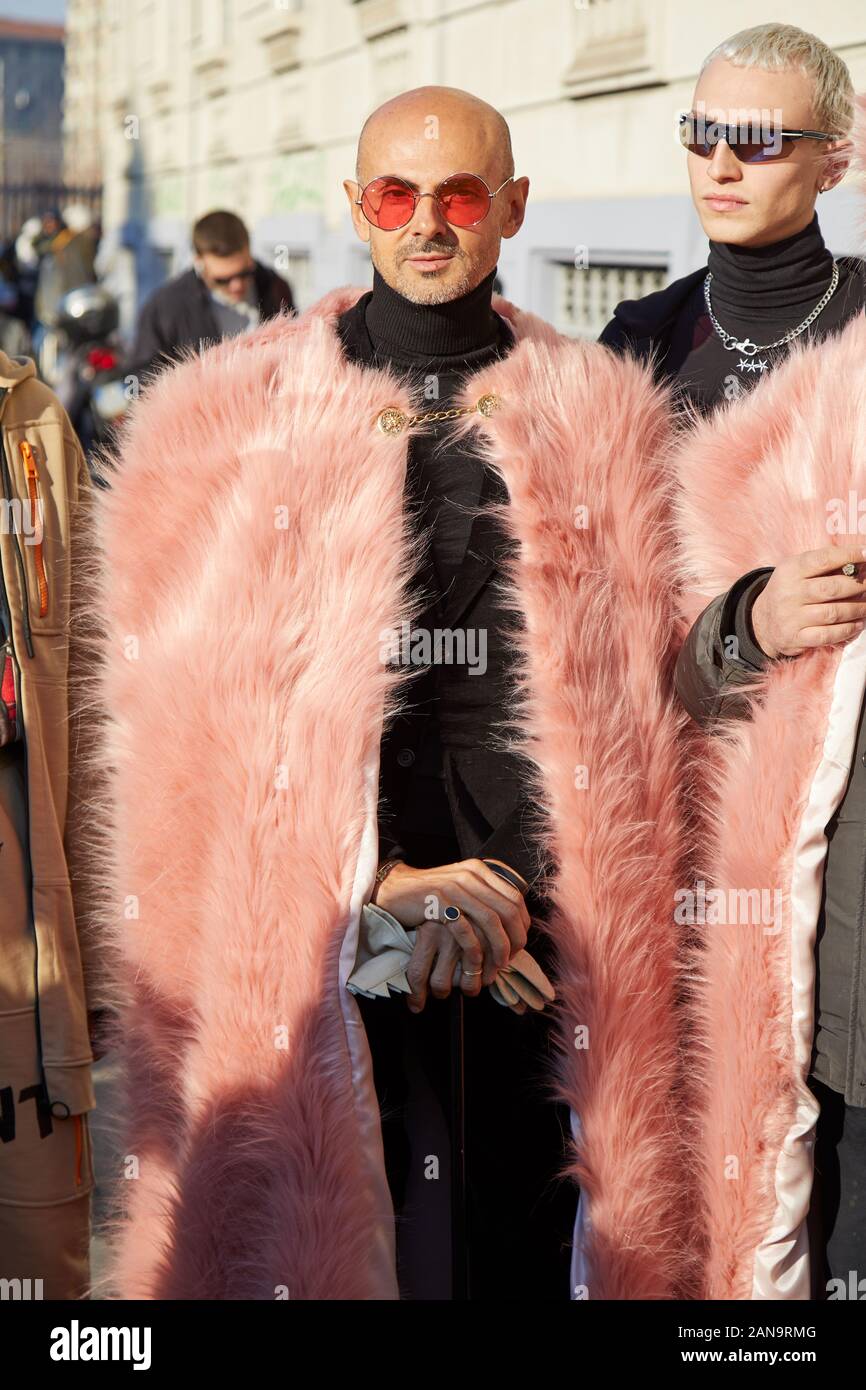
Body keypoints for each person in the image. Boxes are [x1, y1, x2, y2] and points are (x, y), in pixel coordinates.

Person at [96, 86, 688, 1301]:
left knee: (531, 1248)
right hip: (318, 944)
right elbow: (186, 742)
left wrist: (514, 896)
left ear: (511, 209)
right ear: (354, 209)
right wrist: (369, 891)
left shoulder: (605, 417)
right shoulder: (223, 420)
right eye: (395, 194)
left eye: (461, 195)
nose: (428, 222)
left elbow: (641, 710)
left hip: (540, 938)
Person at [604, 22, 866, 1297]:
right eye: (699, 131)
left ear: (834, 156)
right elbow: (590, 646)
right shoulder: (636, 350)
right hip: (691, 876)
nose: (718, 159)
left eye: (754, 137)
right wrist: (741, 626)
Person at [0, 349, 105, 1298]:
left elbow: (94, 678)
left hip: (28, 949)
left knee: (38, 1266)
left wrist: (106, 967)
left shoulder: (30, 419)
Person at [127, 210, 294, 381]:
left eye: (245, 273)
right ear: (199, 261)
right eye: (223, 280)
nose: (236, 285)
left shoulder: (276, 288)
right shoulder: (165, 307)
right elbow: (143, 379)